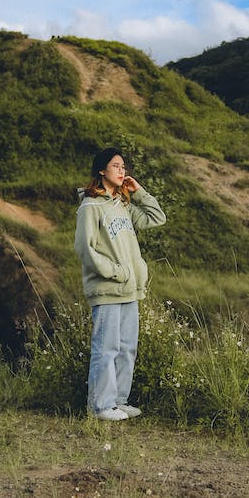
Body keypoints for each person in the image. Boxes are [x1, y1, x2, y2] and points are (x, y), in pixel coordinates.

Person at [74, 146, 166, 420]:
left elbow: (156, 218)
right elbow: (84, 248)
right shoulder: (90, 206)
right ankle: (100, 406)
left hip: (130, 289)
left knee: (127, 347)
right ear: (101, 170)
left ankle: (118, 401)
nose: (122, 170)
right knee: (107, 347)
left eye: (124, 167)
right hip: (108, 288)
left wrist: (138, 192)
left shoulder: (123, 205)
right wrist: (115, 272)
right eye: (116, 166)